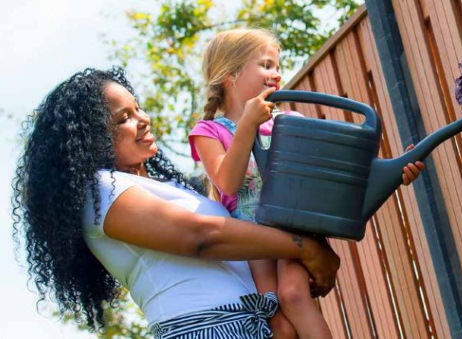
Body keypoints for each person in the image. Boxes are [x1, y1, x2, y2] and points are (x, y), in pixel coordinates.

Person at [11, 67, 340, 339]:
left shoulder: (168, 187)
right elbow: (201, 236)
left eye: (137, 107)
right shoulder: (99, 192)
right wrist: (303, 248)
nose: (143, 119)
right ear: (90, 138)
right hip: (207, 328)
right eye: (123, 118)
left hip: (253, 322)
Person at [189, 28, 426, 339]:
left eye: (276, 65)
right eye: (265, 65)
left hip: (294, 227)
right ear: (230, 75)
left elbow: (334, 175)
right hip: (253, 239)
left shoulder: (292, 123)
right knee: (282, 328)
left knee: (293, 294)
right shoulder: (208, 131)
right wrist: (248, 123)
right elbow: (228, 184)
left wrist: (396, 170)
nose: (276, 73)